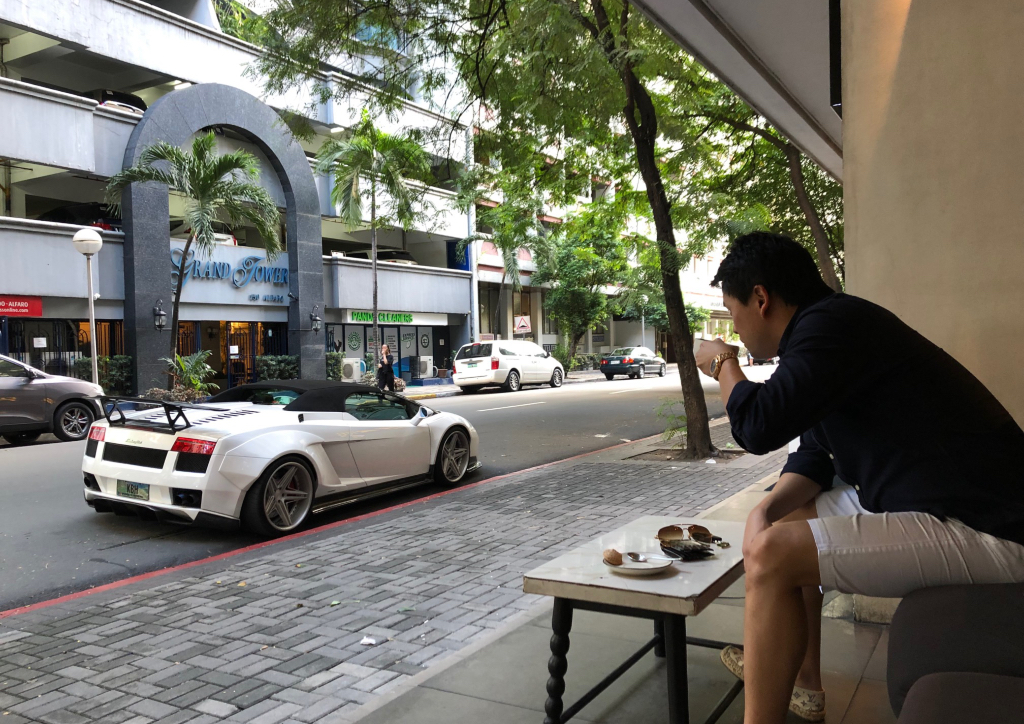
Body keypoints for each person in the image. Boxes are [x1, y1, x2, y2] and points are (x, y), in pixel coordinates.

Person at [695, 232, 1024, 724]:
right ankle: (804, 681)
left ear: (760, 299)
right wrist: (765, 509)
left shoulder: (831, 327)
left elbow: (757, 425)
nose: (735, 330)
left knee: (771, 555)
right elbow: (817, 451)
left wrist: (724, 364)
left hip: (990, 524)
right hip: (934, 496)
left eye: (733, 313)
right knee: (785, 520)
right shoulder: (828, 328)